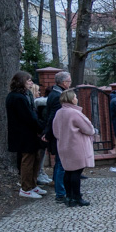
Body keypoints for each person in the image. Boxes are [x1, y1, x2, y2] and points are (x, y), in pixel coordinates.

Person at [53, 89, 95, 207]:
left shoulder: (59, 112)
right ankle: (77, 197)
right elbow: (88, 129)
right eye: (75, 97)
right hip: (76, 146)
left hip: (63, 146)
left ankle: (69, 197)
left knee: (68, 171)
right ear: (71, 99)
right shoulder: (74, 113)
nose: (77, 99)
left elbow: (55, 131)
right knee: (76, 172)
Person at [7, 71, 45, 199]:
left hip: (28, 133)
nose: (31, 82)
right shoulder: (17, 97)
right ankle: (26, 188)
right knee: (28, 161)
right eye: (28, 80)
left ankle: (32, 185)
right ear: (21, 82)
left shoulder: (22, 96)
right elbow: (28, 117)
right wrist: (40, 127)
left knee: (35, 159)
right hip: (24, 134)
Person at [43, 71, 72, 202]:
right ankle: (60, 193)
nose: (70, 83)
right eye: (69, 81)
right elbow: (52, 117)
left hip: (57, 134)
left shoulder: (56, 93)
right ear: (64, 82)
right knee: (61, 164)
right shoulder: (57, 96)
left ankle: (59, 188)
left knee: (59, 164)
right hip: (58, 135)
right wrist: (47, 133)